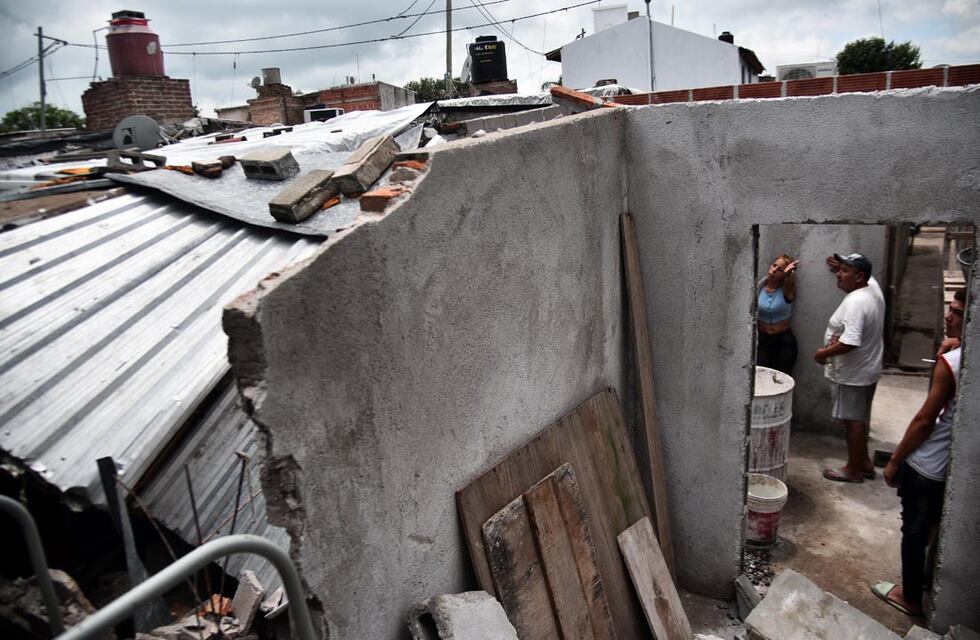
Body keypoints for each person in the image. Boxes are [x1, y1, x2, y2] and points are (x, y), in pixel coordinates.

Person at [872, 287, 967, 617]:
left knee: (913, 529)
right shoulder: (960, 357)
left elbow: (925, 421)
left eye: (957, 312)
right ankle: (926, 579)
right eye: (950, 309)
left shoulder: (952, 363)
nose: (948, 316)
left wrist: (896, 460)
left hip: (928, 466)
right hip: (951, 471)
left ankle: (910, 596)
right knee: (929, 526)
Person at [814, 253, 886, 483]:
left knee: (852, 422)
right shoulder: (872, 289)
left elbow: (850, 341)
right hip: (867, 370)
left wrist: (822, 354)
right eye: (840, 269)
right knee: (860, 419)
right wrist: (845, 266)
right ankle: (863, 463)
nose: (839, 274)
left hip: (852, 374)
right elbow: (864, 273)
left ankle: (853, 470)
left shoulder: (856, 302)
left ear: (860, 276)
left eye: (845, 271)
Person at [757, 253, 800, 375]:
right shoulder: (760, 286)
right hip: (763, 340)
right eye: (774, 265)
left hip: (783, 342)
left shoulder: (787, 290)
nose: (774, 270)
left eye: (779, 269)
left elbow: (789, 284)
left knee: (782, 380)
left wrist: (788, 275)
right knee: (761, 377)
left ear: (783, 275)